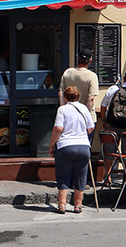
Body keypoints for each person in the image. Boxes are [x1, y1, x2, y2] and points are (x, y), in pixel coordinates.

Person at [48, 85, 95, 213]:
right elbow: (91, 128)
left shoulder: (62, 110)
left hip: (66, 146)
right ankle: (78, 205)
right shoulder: (84, 108)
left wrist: (52, 145)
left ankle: (62, 205)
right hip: (83, 146)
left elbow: (58, 129)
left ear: (65, 97)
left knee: (63, 175)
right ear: (78, 96)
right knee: (81, 176)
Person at [59, 49, 100, 120]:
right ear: (90, 61)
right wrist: (85, 116)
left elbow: (60, 93)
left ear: (78, 58)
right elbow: (91, 98)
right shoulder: (92, 76)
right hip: (86, 118)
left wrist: (64, 112)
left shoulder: (67, 72)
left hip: (69, 117)